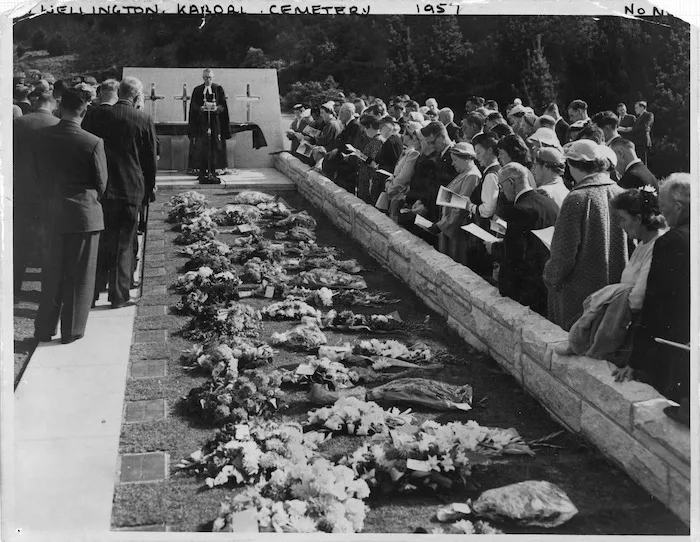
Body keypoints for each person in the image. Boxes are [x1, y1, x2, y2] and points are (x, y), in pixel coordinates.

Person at [555, 188, 665, 367]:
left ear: (638, 219)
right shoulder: (642, 244)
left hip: (635, 328)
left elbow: (637, 298)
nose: (620, 225)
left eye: (623, 219)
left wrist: (616, 296)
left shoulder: (656, 247)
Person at [31, 88, 108, 344]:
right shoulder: (92, 142)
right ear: (84, 112)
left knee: (51, 273)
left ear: (60, 108)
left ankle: (44, 327)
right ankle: (72, 329)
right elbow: (101, 183)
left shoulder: (41, 138)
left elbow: (37, 175)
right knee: (79, 276)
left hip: (51, 211)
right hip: (83, 215)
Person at [619, 174, 690, 425]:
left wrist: (636, 359)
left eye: (664, 206)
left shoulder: (671, 242)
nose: (661, 212)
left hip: (672, 344)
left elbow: (656, 304)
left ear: (679, 207)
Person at [543, 140, 628, 331]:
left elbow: (563, 256)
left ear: (572, 165)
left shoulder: (576, 198)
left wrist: (549, 277)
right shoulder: (620, 193)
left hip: (577, 300)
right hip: (613, 294)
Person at [89, 76, 157, 309]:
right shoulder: (143, 118)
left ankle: (93, 291)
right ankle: (119, 295)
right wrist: (149, 188)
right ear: (137, 96)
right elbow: (149, 159)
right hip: (131, 187)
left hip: (103, 187)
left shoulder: (97, 114)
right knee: (125, 243)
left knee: (102, 240)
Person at [488, 163, 559, 315]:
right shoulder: (549, 203)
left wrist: (493, 248)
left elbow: (513, 256)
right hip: (547, 282)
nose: (501, 190)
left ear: (511, 183)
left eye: (501, 185)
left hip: (525, 289)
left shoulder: (519, 210)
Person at [13, 92, 61, 295]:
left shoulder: (19, 122)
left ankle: (14, 289)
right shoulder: (58, 124)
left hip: (23, 190)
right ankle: (47, 290)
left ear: (35, 104)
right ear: (53, 105)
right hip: (50, 192)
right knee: (49, 242)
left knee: (21, 240)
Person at [427, 142, 481, 264]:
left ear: (466, 159)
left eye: (455, 160)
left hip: (456, 232)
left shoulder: (472, 176)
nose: (452, 163)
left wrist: (442, 225)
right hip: (449, 228)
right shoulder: (464, 174)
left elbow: (461, 207)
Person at [188, 68, 232, 184]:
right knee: (202, 147)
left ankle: (213, 171)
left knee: (214, 147)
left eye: (210, 78)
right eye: (206, 77)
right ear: (203, 78)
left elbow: (223, 105)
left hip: (215, 123)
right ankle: (202, 171)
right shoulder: (197, 90)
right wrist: (200, 109)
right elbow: (193, 105)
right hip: (201, 124)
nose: (208, 80)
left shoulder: (218, 89)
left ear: (213, 78)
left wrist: (216, 108)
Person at [385, 120, 423, 221]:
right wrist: (389, 181)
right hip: (394, 192)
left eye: (405, 133)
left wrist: (390, 189)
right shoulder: (406, 150)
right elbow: (395, 173)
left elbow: (404, 177)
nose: (402, 135)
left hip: (398, 194)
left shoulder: (413, 153)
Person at [628, 100, 654, 165]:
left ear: (642, 107)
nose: (635, 110)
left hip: (643, 141)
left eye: (636, 107)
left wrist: (632, 128)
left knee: (643, 163)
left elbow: (644, 127)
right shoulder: (638, 118)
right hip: (636, 142)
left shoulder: (649, 115)